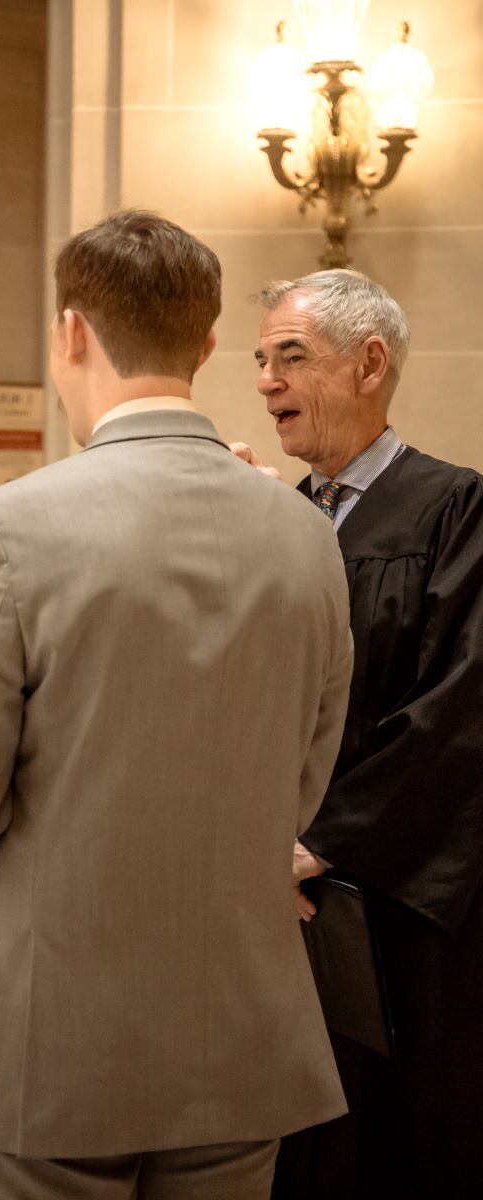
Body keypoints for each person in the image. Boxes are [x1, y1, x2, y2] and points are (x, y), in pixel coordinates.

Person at [0, 210, 354, 1200]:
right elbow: (307, 771)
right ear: (202, 342)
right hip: (236, 1030)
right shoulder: (303, 533)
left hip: (46, 1029)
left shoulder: (7, 529)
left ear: (71, 332)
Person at [248, 269, 483, 1200]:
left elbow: (460, 710)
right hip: (274, 887)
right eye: (261, 360)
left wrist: (321, 845)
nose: (265, 380)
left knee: (396, 1128)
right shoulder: (277, 518)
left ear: (370, 364)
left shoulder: (457, 510)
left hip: (393, 894)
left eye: (291, 357)